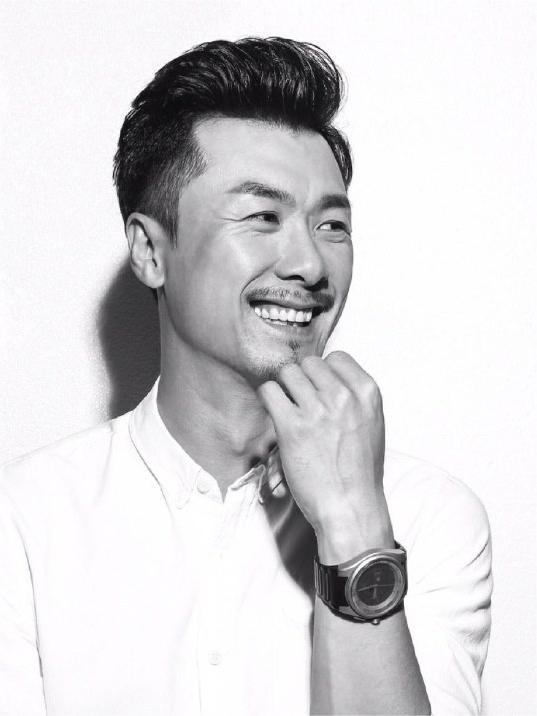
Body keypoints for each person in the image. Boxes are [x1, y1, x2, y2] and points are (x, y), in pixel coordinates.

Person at [0, 37, 492, 716]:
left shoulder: (428, 517)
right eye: (263, 216)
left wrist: (354, 531)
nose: (310, 265)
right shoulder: (24, 520)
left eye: (331, 224)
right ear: (150, 251)